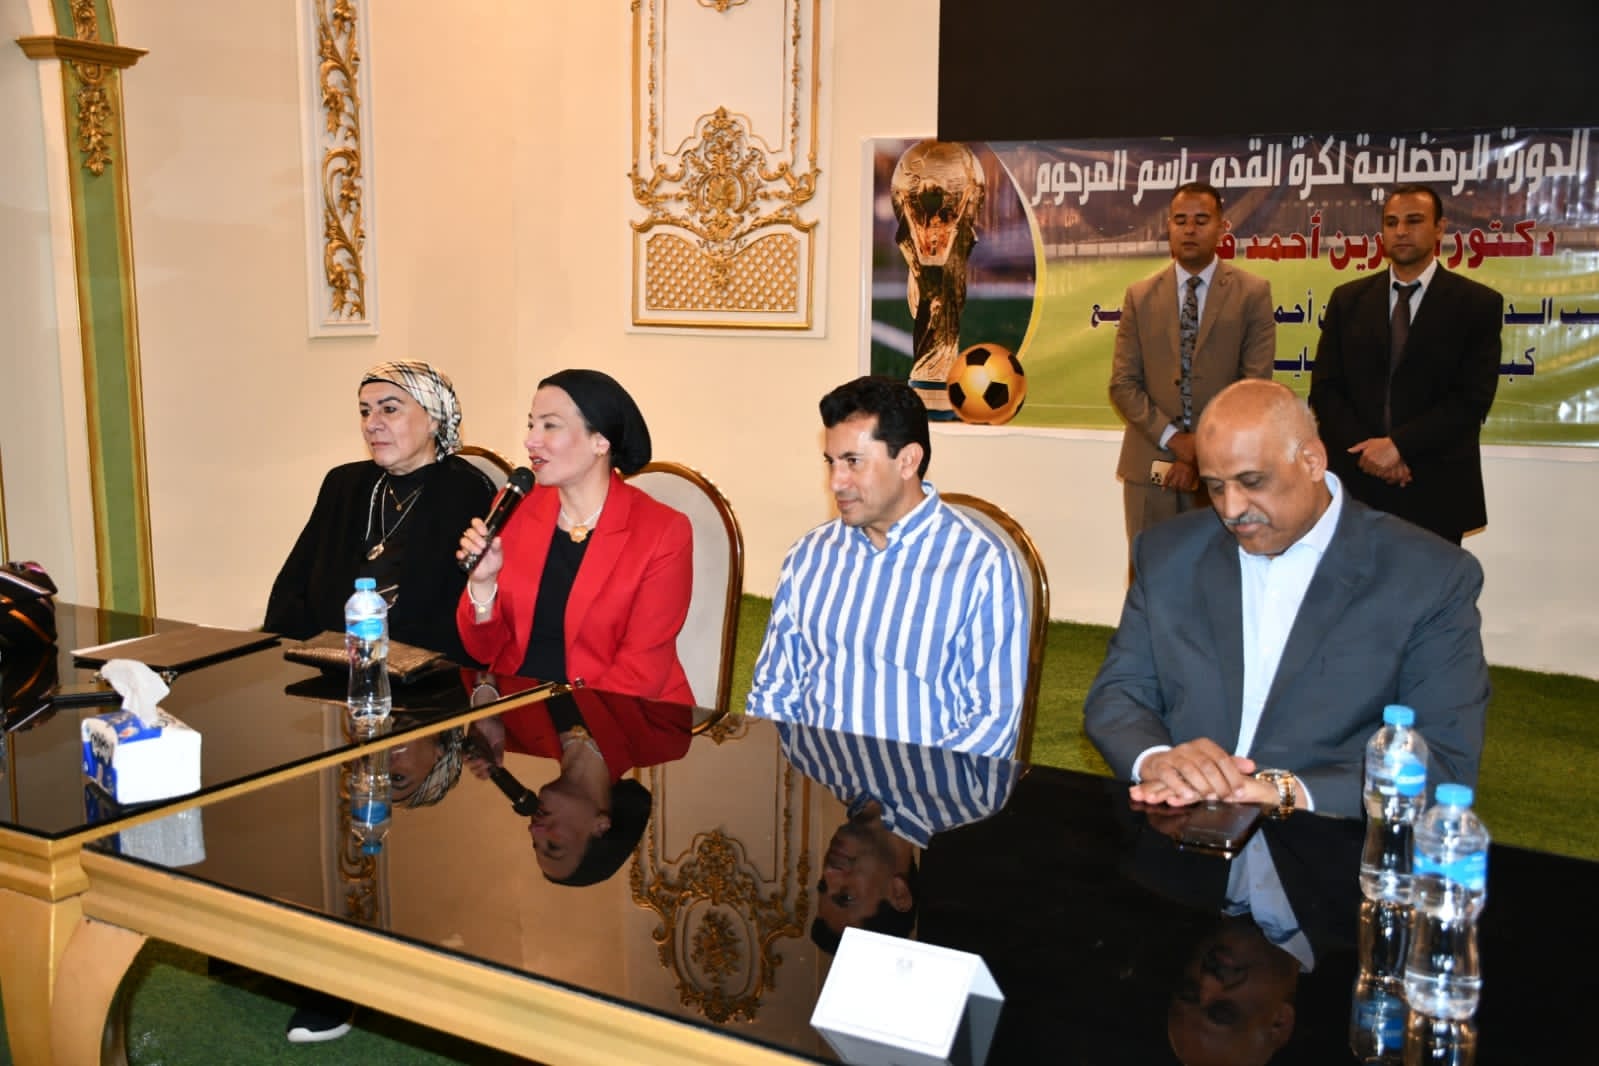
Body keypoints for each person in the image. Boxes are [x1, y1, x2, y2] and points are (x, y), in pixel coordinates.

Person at [1083, 379, 1489, 819]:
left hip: (1326, 840)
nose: (1231, 509)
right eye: (1215, 487)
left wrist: (1281, 792)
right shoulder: (1168, 553)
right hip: (1177, 829)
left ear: (1312, 460)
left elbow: (1444, 761)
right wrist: (1157, 759)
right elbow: (1119, 694)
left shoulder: (1428, 577)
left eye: (1252, 481)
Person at [744, 375, 1028, 757]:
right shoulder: (809, 556)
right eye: (830, 462)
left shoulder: (981, 566)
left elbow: (993, 723)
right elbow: (772, 693)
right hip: (817, 782)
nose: (836, 482)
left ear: (908, 461)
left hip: (928, 787)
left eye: (853, 462)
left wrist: (905, 789)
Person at [455, 369, 693, 703]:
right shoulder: (516, 508)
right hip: (521, 709)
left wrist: (573, 728)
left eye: (550, 426)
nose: (531, 440)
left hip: (619, 715)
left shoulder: (662, 531)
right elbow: (484, 651)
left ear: (601, 441)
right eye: (531, 425)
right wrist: (483, 585)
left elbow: (642, 671)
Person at [1309, 184, 1504, 544]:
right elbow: (1325, 389)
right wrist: (1370, 452)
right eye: (1391, 222)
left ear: (1440, 228)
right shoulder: (1347, 300)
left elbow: (1471, 400)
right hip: (1356, 483)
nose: (1400, 231)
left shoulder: (1477, 304)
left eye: (1413, 221)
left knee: (1429, 582)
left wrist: (1398, 447)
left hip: (1434, 485)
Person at [266, 361, 494, 666]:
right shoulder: (343, 484)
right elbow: (292, 590)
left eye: (389, 409)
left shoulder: (467, 491)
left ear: (434, 419)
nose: (371, 424)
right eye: (365, 412)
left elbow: (456, 615)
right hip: (332, 663)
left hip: (426, 673)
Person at [1110, 182, 1276, 547]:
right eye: (1180, 220)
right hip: (1150, 470)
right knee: (1150, 573)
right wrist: (1175, 440)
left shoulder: (1252, 294)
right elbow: (1123, 384)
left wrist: (1201, 449)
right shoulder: (1140, 296)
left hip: (1224, 471)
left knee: (1217, 574)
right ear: (1168, 226)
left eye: (1201, 220)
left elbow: (1254, 387)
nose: (1189, 229)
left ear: (1222, 227)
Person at [776, 721, 1017, 952]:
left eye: (823, 884)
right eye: (845, 896)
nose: (829, 871)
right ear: (899, 894)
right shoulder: (976, 793)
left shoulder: (805, 752)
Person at [464, 686, 692, 885]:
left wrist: (485, 704)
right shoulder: (665, 738)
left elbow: (479, 653)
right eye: (553, 846)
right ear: (601, 826)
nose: (534, 830)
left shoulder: (512, 732)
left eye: (535, 843)